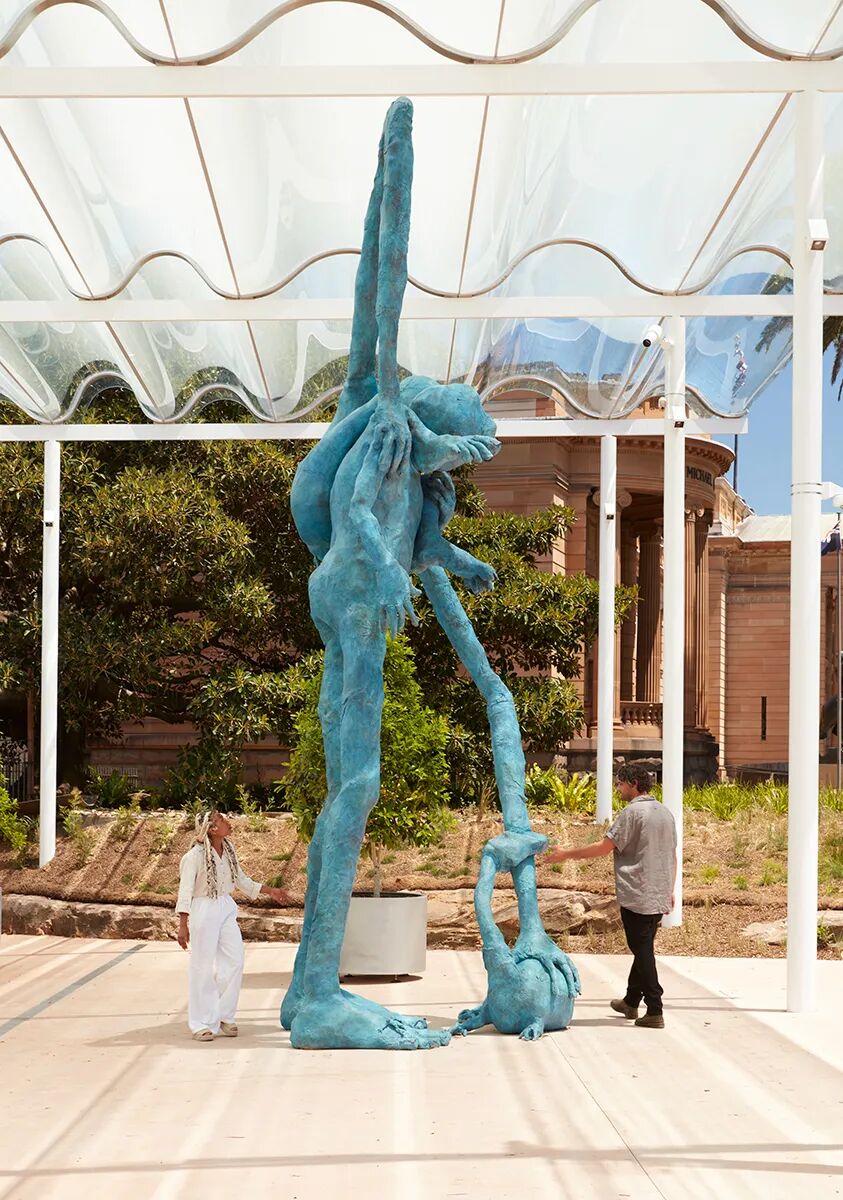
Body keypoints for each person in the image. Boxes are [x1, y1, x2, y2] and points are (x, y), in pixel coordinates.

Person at [542, 764, 677, 1029]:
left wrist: (565, 854)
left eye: (620, 784)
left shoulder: (632, 813)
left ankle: (655, 1009)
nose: (618, 789)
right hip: (658, 892)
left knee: (643, 951)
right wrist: (670, 890)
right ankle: (631, 1001)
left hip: (638, 894)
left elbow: (604, 848)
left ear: (633, 784)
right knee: (643, 948)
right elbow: (672, 855)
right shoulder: (665, 812)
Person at [176, 810, 291, 1042]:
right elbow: (185, 891)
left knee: (235, 960)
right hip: (203, 908)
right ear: (212, 829)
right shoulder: (193, 857)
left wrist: (271, 891)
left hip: (225, 907)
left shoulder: (228, 850)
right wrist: (183, 924)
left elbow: (241, 880)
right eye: (221, 819)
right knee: (202, 966)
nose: (227, 821)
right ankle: (201, 1023)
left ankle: (224, 1015)